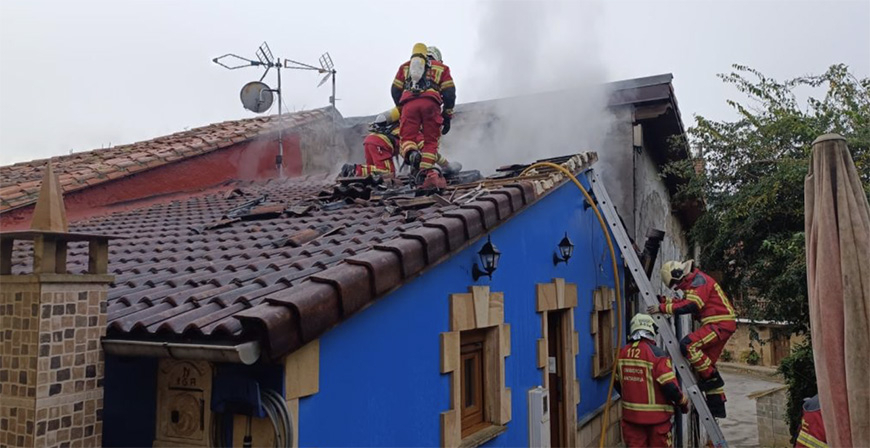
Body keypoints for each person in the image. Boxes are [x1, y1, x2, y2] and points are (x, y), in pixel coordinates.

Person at [648, 260, 737, 418]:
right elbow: (684, 302)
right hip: (718, 323)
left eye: (675, 283)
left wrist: (662, 308)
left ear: (678, 274)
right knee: (706, 364)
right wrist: (664, 300)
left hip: (719, 323)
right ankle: (717, 407)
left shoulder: (698, 281)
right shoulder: (694, 282)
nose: (677, 287)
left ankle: (712, 379)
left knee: (688, 345)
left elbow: (691, 305)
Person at [616, 314, 689, 448]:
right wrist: (682, 402)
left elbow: (617, 384)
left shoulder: (622, 353)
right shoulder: (657, 355)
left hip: (631, 420)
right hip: (657, 421)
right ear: (650, 330)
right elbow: (669, 386)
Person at [390, 43, 456, 189]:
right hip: (431, 105)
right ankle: (427, 174)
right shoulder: (442, 68)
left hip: (409, 105)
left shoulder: (405, 67)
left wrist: (401, 109)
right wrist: (447, 115)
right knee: (430, 142)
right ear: (438, 58)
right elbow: (449, 93)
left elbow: (395, 90)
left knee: (407, 138)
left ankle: (412, 153)